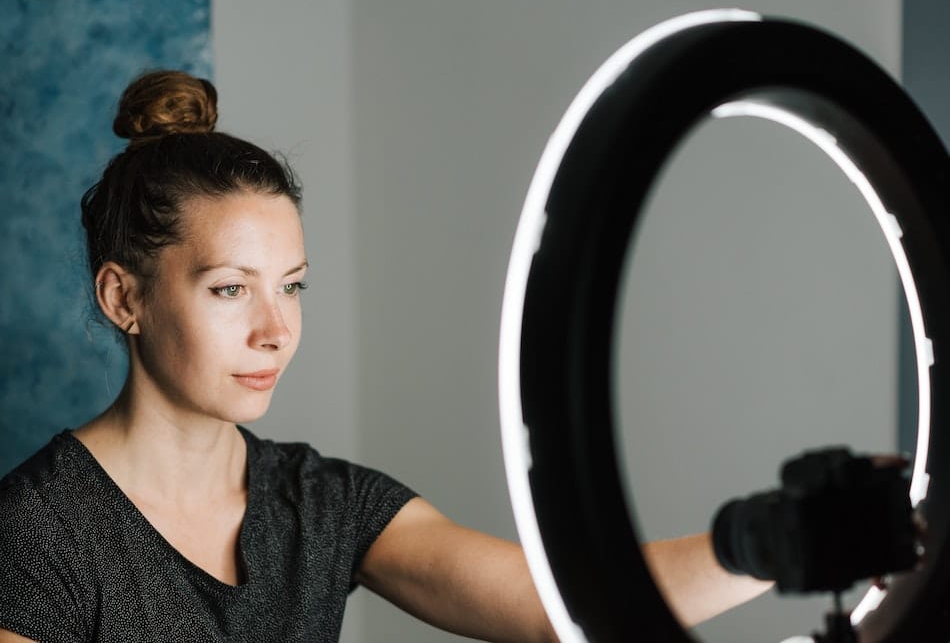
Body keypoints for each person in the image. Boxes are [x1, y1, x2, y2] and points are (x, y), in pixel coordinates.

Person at [0, 70, 770, 642]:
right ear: (122, 298)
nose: (277, 329)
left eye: (293, 287)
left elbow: (550, 604)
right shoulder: (37, 534)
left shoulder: (321, 504)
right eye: (231, 290)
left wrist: (768, 543)